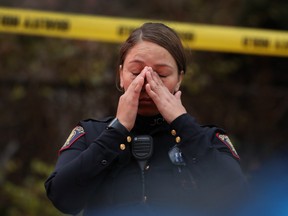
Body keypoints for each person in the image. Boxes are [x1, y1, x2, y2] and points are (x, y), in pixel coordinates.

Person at [45, 22, 247, 216]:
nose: (147, 84)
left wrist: (183, 124)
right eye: (136, 72)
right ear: (121, 74)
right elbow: (62, 198)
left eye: (161, 74)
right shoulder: (91, 134)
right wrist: (116, 132)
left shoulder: (207, 139)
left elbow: (239, 198)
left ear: (179, 79)